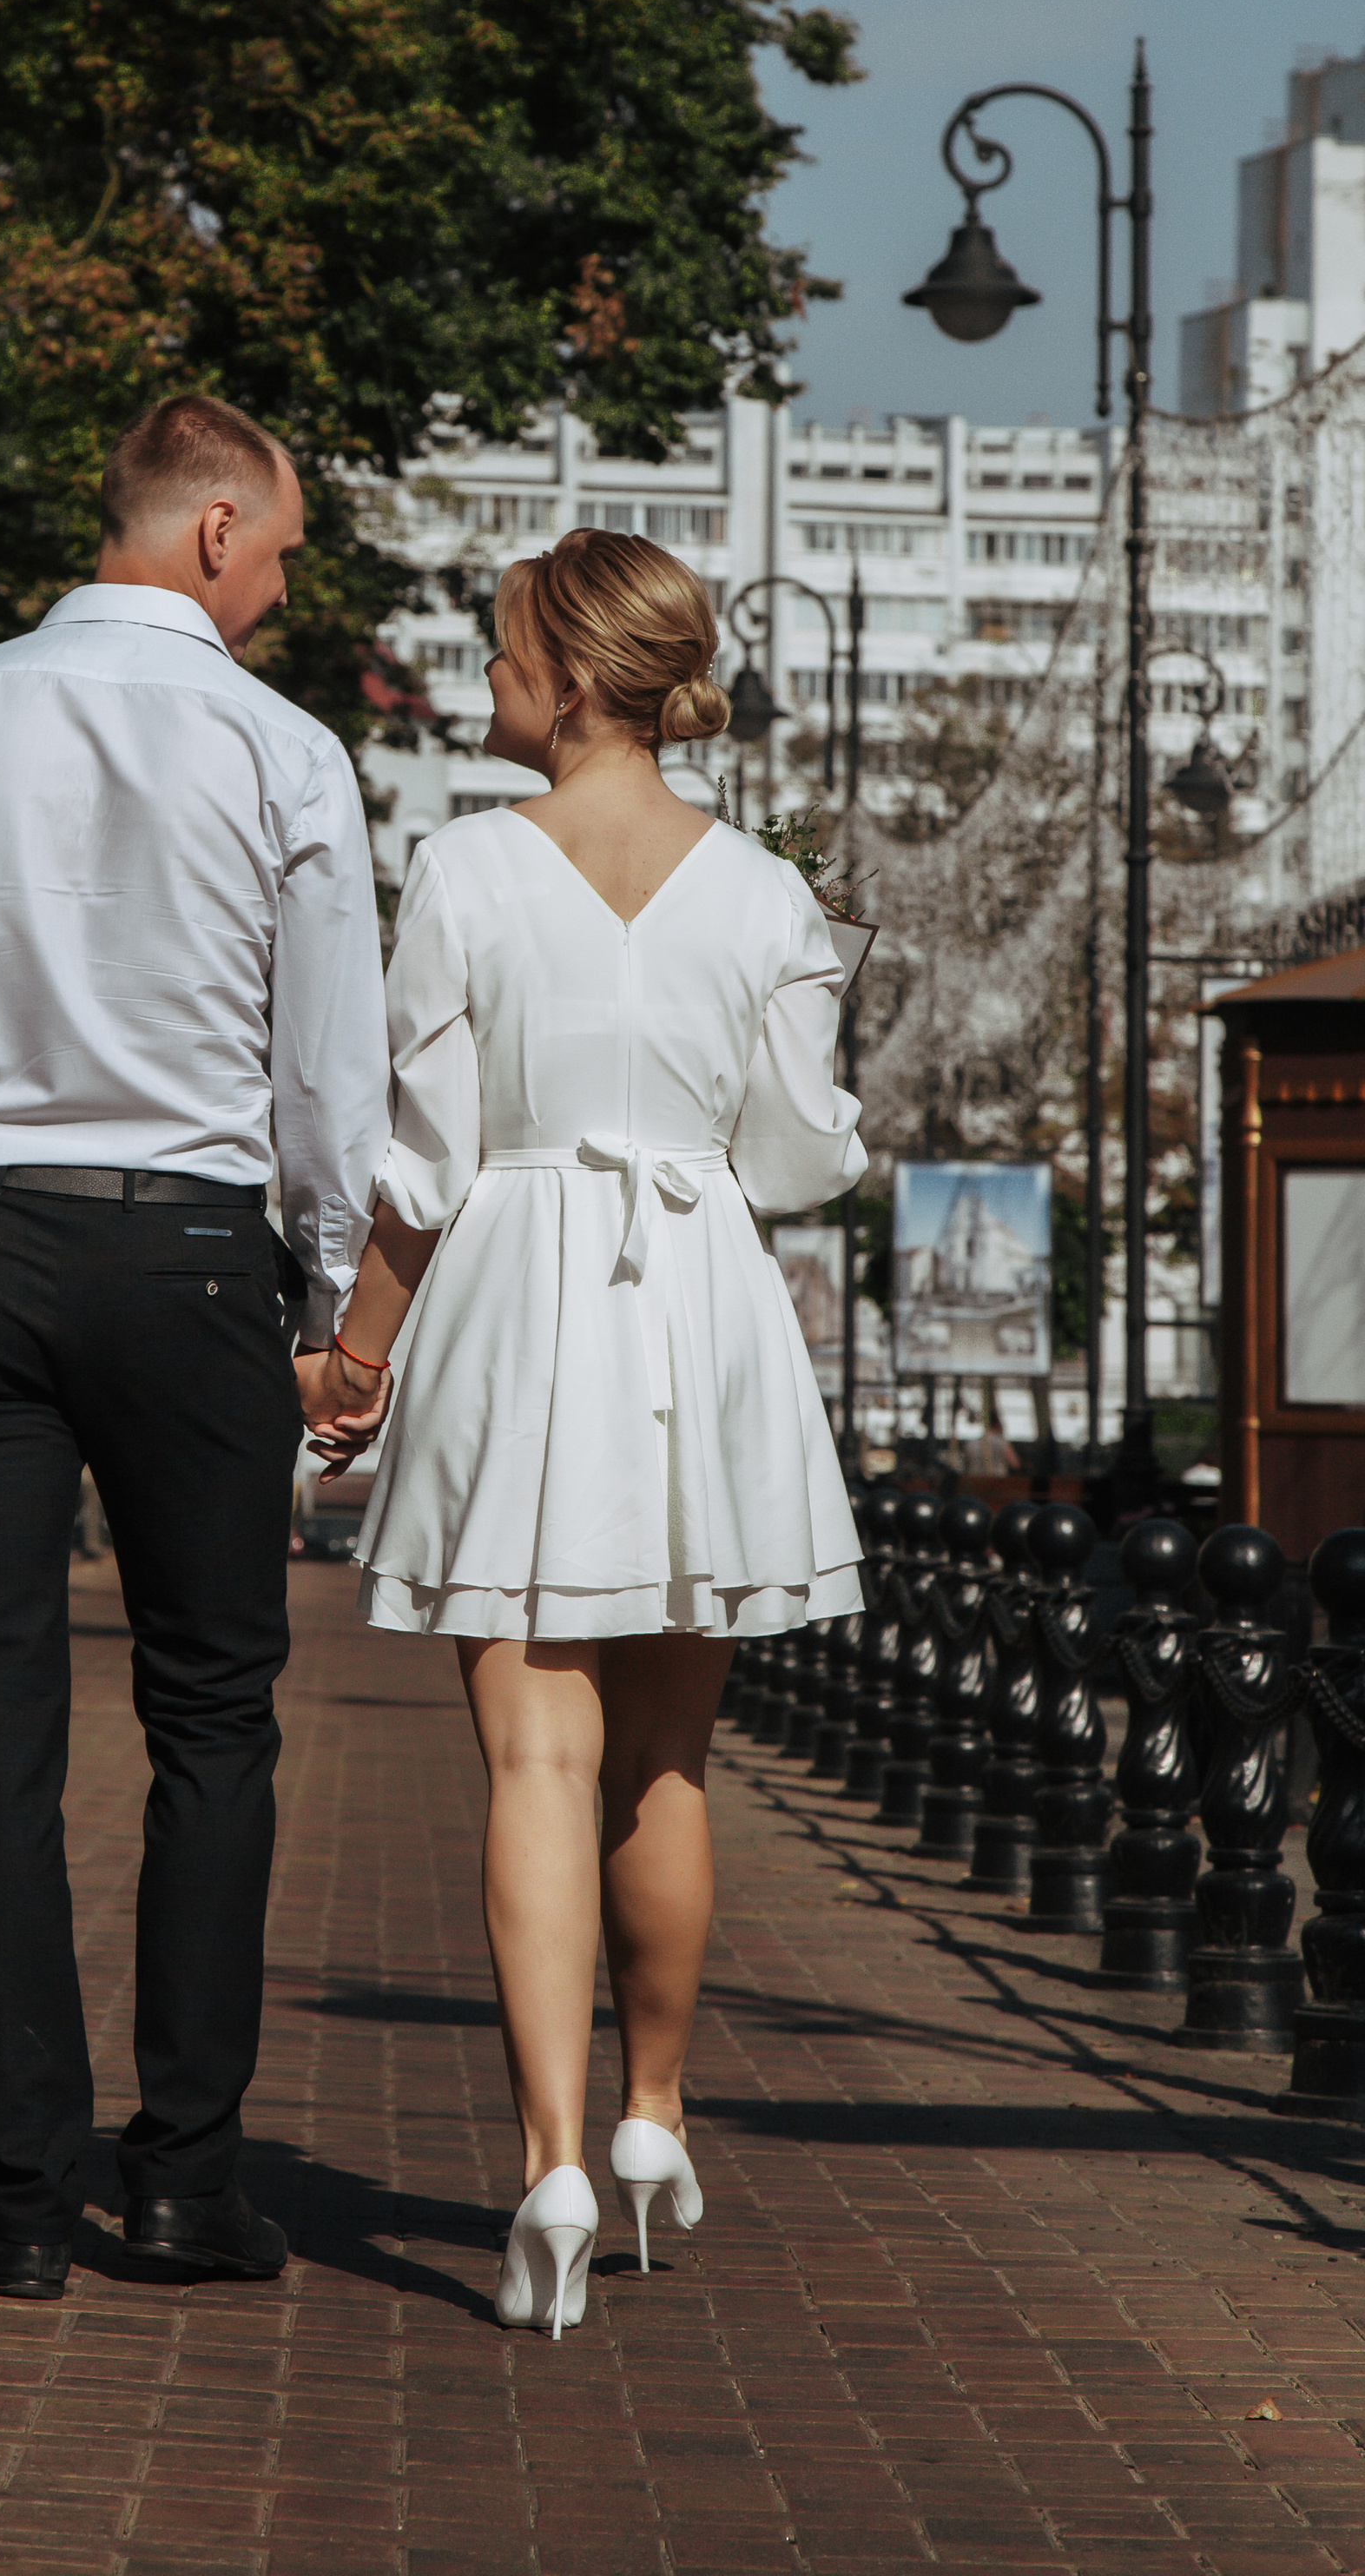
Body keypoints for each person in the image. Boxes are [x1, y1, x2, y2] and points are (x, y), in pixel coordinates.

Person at [0, 393, 390, 2300]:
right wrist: (322, 1289)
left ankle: (18, 2194)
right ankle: (185, 2179)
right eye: (276, 551)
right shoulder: (285, 755)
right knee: (212, 1713)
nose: (279, 589)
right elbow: (325, 1068)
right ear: (208, 529)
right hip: (191, 1257)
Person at [302, 530, 864, 2339]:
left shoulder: (463, 867)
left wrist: (355, 1354)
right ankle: (648, 2117)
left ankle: (542, 2152)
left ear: (562, 669)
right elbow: (798, 1157)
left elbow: (421, 1161)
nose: (485, 687)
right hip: (693, 1302)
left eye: (497, 656)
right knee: (668, 1767)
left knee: (531, 1766)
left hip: (515, 1296)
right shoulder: (769, 890)